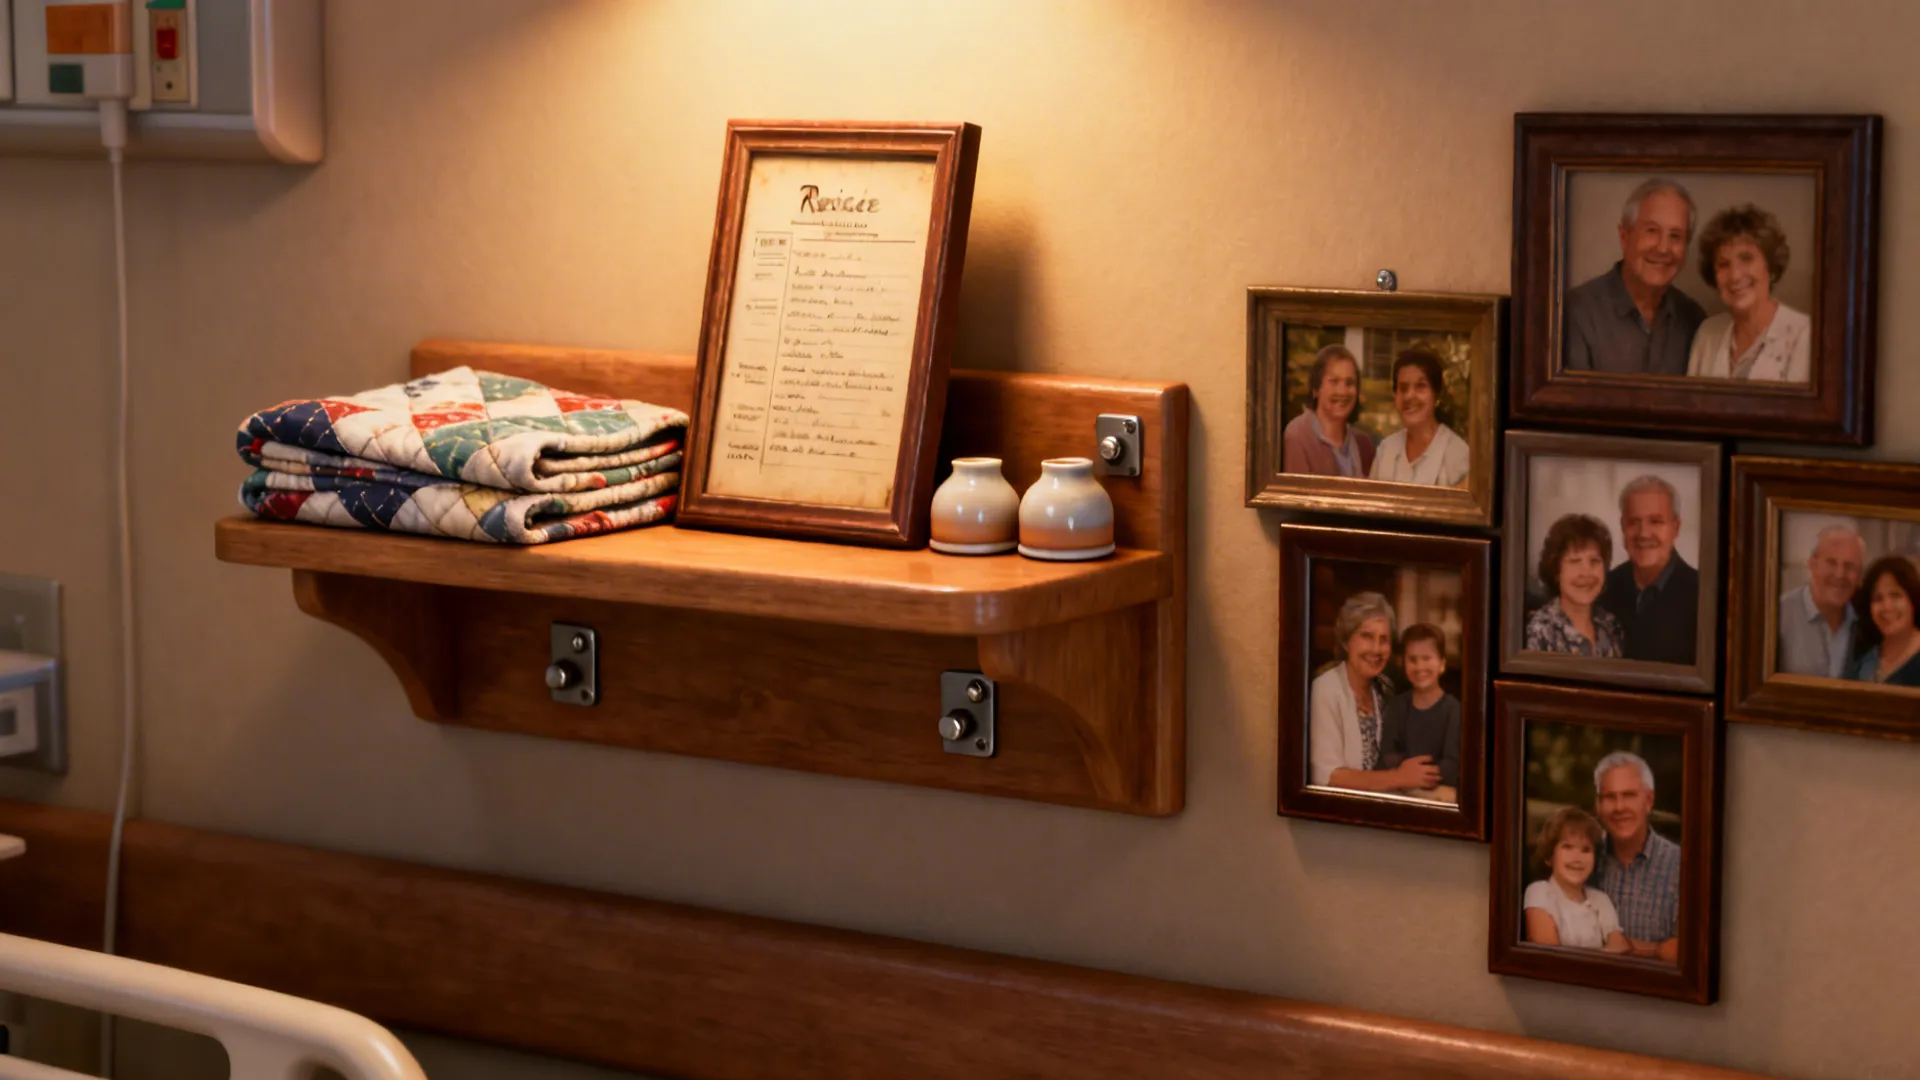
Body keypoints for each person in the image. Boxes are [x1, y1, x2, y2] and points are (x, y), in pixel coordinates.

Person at [1563, 178, 1708, 376]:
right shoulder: (1577, 312)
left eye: (1675, 236)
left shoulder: (1694, 320)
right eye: (1652, 231)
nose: (1663, 248)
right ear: (1624, 237)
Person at [1307, 593, 1438, 794]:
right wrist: (1398, 777)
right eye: (1367, 636)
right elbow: (1328, 776)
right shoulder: (1325, 689)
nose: (1377, 649)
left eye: (1384, 639)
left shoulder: (1384, 690)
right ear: (1346, 641)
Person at [1686, 204, 1812, 382]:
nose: (1735, 276)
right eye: (1723, 264)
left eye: (1746, 259)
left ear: (1770, 267)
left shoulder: (1804, 335)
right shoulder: (1707, 333)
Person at [1589, 751, 1680, 964]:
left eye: (1629, 795)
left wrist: (1630, 947)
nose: (1619, 807)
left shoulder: (1680, 865)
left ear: (1648, 801)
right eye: (1610, 797)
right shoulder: (1584, 859)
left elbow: (1690, 951)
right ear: (1598, 805)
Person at [1600, 475, 1699, 665]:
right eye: (1633, 522)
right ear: (1622, 527)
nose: (1643, 534)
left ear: (1676, 528)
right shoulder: (1602, 589)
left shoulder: (1704, 597)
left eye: (1655, 521)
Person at [1522, 806, 1630, 953]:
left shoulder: (1600, 899)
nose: (1577, 858)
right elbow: (1549, 956)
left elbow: (1619, 944)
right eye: (1567, 847)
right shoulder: (1539, 891)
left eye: (1585, 849)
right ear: (1550, 856)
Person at [1379, 623, 1461, 803]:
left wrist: (1419, 776)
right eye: (1413, 659)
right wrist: (1406, 774)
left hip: (1439, 797)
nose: (1419, 666)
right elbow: (1386, 754)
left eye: (1426, 658)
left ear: (1442, 664)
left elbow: (1453, 764)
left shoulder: (1454, 710)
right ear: (1404, 663)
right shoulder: (1397, 706)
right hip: (1399, 794)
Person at [1525, 513, 1624, 657]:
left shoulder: (1611, 626)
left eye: (1595, 561)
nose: (1586, 573)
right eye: (1575, 561)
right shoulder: (1539, 631)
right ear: (1556, 571)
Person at [1369, 348, 1469, 487]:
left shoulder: (1457, 454)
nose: (1410, 395)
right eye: (1403, 388)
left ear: (1437, 396)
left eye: (1420, 386)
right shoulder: (1386, 450)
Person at [1777, 524, 1865, 679]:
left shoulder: (1867, 622)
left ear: (1859, 575)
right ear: (1812, 564)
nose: (1839, 574)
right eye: (1831, 563)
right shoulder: (1778, 615)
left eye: (1849, 566)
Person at [1282, 344, 1375, 478]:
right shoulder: (1298, 436)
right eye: (1334, 381)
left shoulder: (1363, 443)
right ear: (1316, 389)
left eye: (1349, 383)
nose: (1342, 391)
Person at [1847, 555, 1920, 688]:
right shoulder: (1864, 663)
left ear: (1913, 601)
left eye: (1895, 595)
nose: (1887, 607)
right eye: (1878, 598)